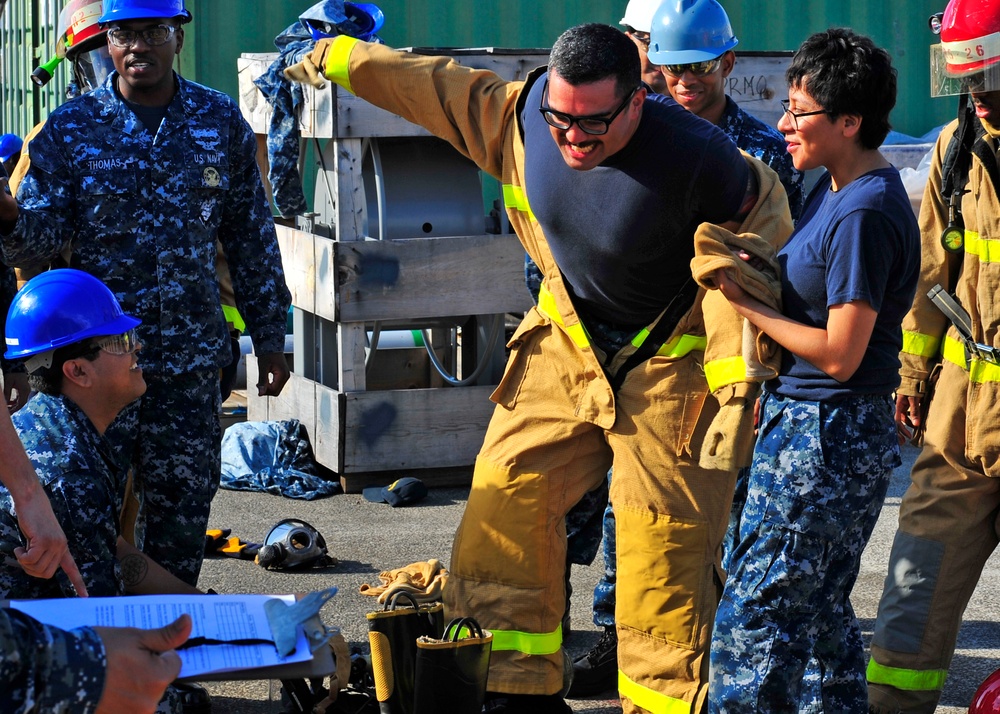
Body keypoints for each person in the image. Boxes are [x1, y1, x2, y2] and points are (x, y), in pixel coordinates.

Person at [285, 21, 797, 713]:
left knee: (664, 550)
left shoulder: (700, 156)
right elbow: (428, 86)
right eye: (561, 118)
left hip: (666, 368)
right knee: (507, 499)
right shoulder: (522, 118)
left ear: (637, 102)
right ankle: (517, 689)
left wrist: (742, 379)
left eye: (594, 123)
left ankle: (663, 702)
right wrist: (337, 56)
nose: (573, 136)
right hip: (567, 344)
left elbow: (760, 234)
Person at [0, 0, 292, 587]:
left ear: (177, 36)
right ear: (106, 42)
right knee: (86, 515)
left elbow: (251, 239)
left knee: (183, 515)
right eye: (124, 33)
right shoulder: (70, 132)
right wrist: (6, 217)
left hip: (187, 368)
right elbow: (36, 242)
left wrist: (271, 337)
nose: (139, 46)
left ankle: (172, 657)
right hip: (92, 370)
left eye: (153, 31)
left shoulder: (219, 123)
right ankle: (102, 654)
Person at [567, 0, 805, 696]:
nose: (685, 82)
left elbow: (771, 268)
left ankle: (712, 643)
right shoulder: (627, 132)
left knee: (721, 512)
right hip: (636, 361)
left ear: (727, 63)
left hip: (717, 365)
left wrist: (756, 380)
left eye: (699, 68)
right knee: (627, 507)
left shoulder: (757, 154)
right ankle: (617, 636)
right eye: (671, 68)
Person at [707, 28, 919, 712]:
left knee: (758, 620)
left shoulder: (863, 211)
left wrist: (746, 306)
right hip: (811, 427)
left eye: (799, 112)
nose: (783, 125)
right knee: (821, 617)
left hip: (826, 435)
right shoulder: (832, 188)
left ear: (849, 121)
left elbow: (840, 351)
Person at [866, 1, 1000, 711]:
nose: (981, 93)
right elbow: (929, 279)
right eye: (970, 77)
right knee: (912, 596)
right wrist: (913, 375)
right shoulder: (955, 149)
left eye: (995, 76)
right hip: (961, 415)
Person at [1, 269, 202, 600]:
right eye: (121, 341)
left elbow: (115, 550)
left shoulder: (50, 424)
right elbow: (102, 615)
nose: (137, 346)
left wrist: (204, 604)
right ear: (77, 371)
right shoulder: (71, 474)